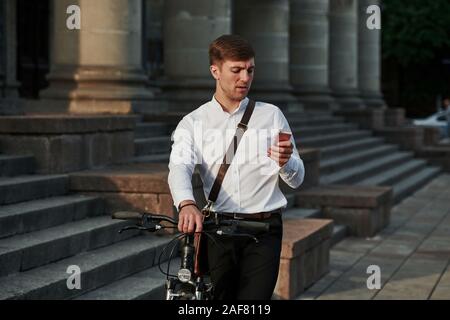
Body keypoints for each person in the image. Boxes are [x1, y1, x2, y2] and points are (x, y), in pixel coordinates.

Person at [167, 34, 305, 300]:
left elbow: (297, 180)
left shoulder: (272, 115)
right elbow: (180, 167)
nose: (245, 78)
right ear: (215, 71)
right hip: (218, 230)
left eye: (250, 70)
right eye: (236, 70)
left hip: (264, 230)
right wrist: (186, 203)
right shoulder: (193, 122)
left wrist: (286, 162)